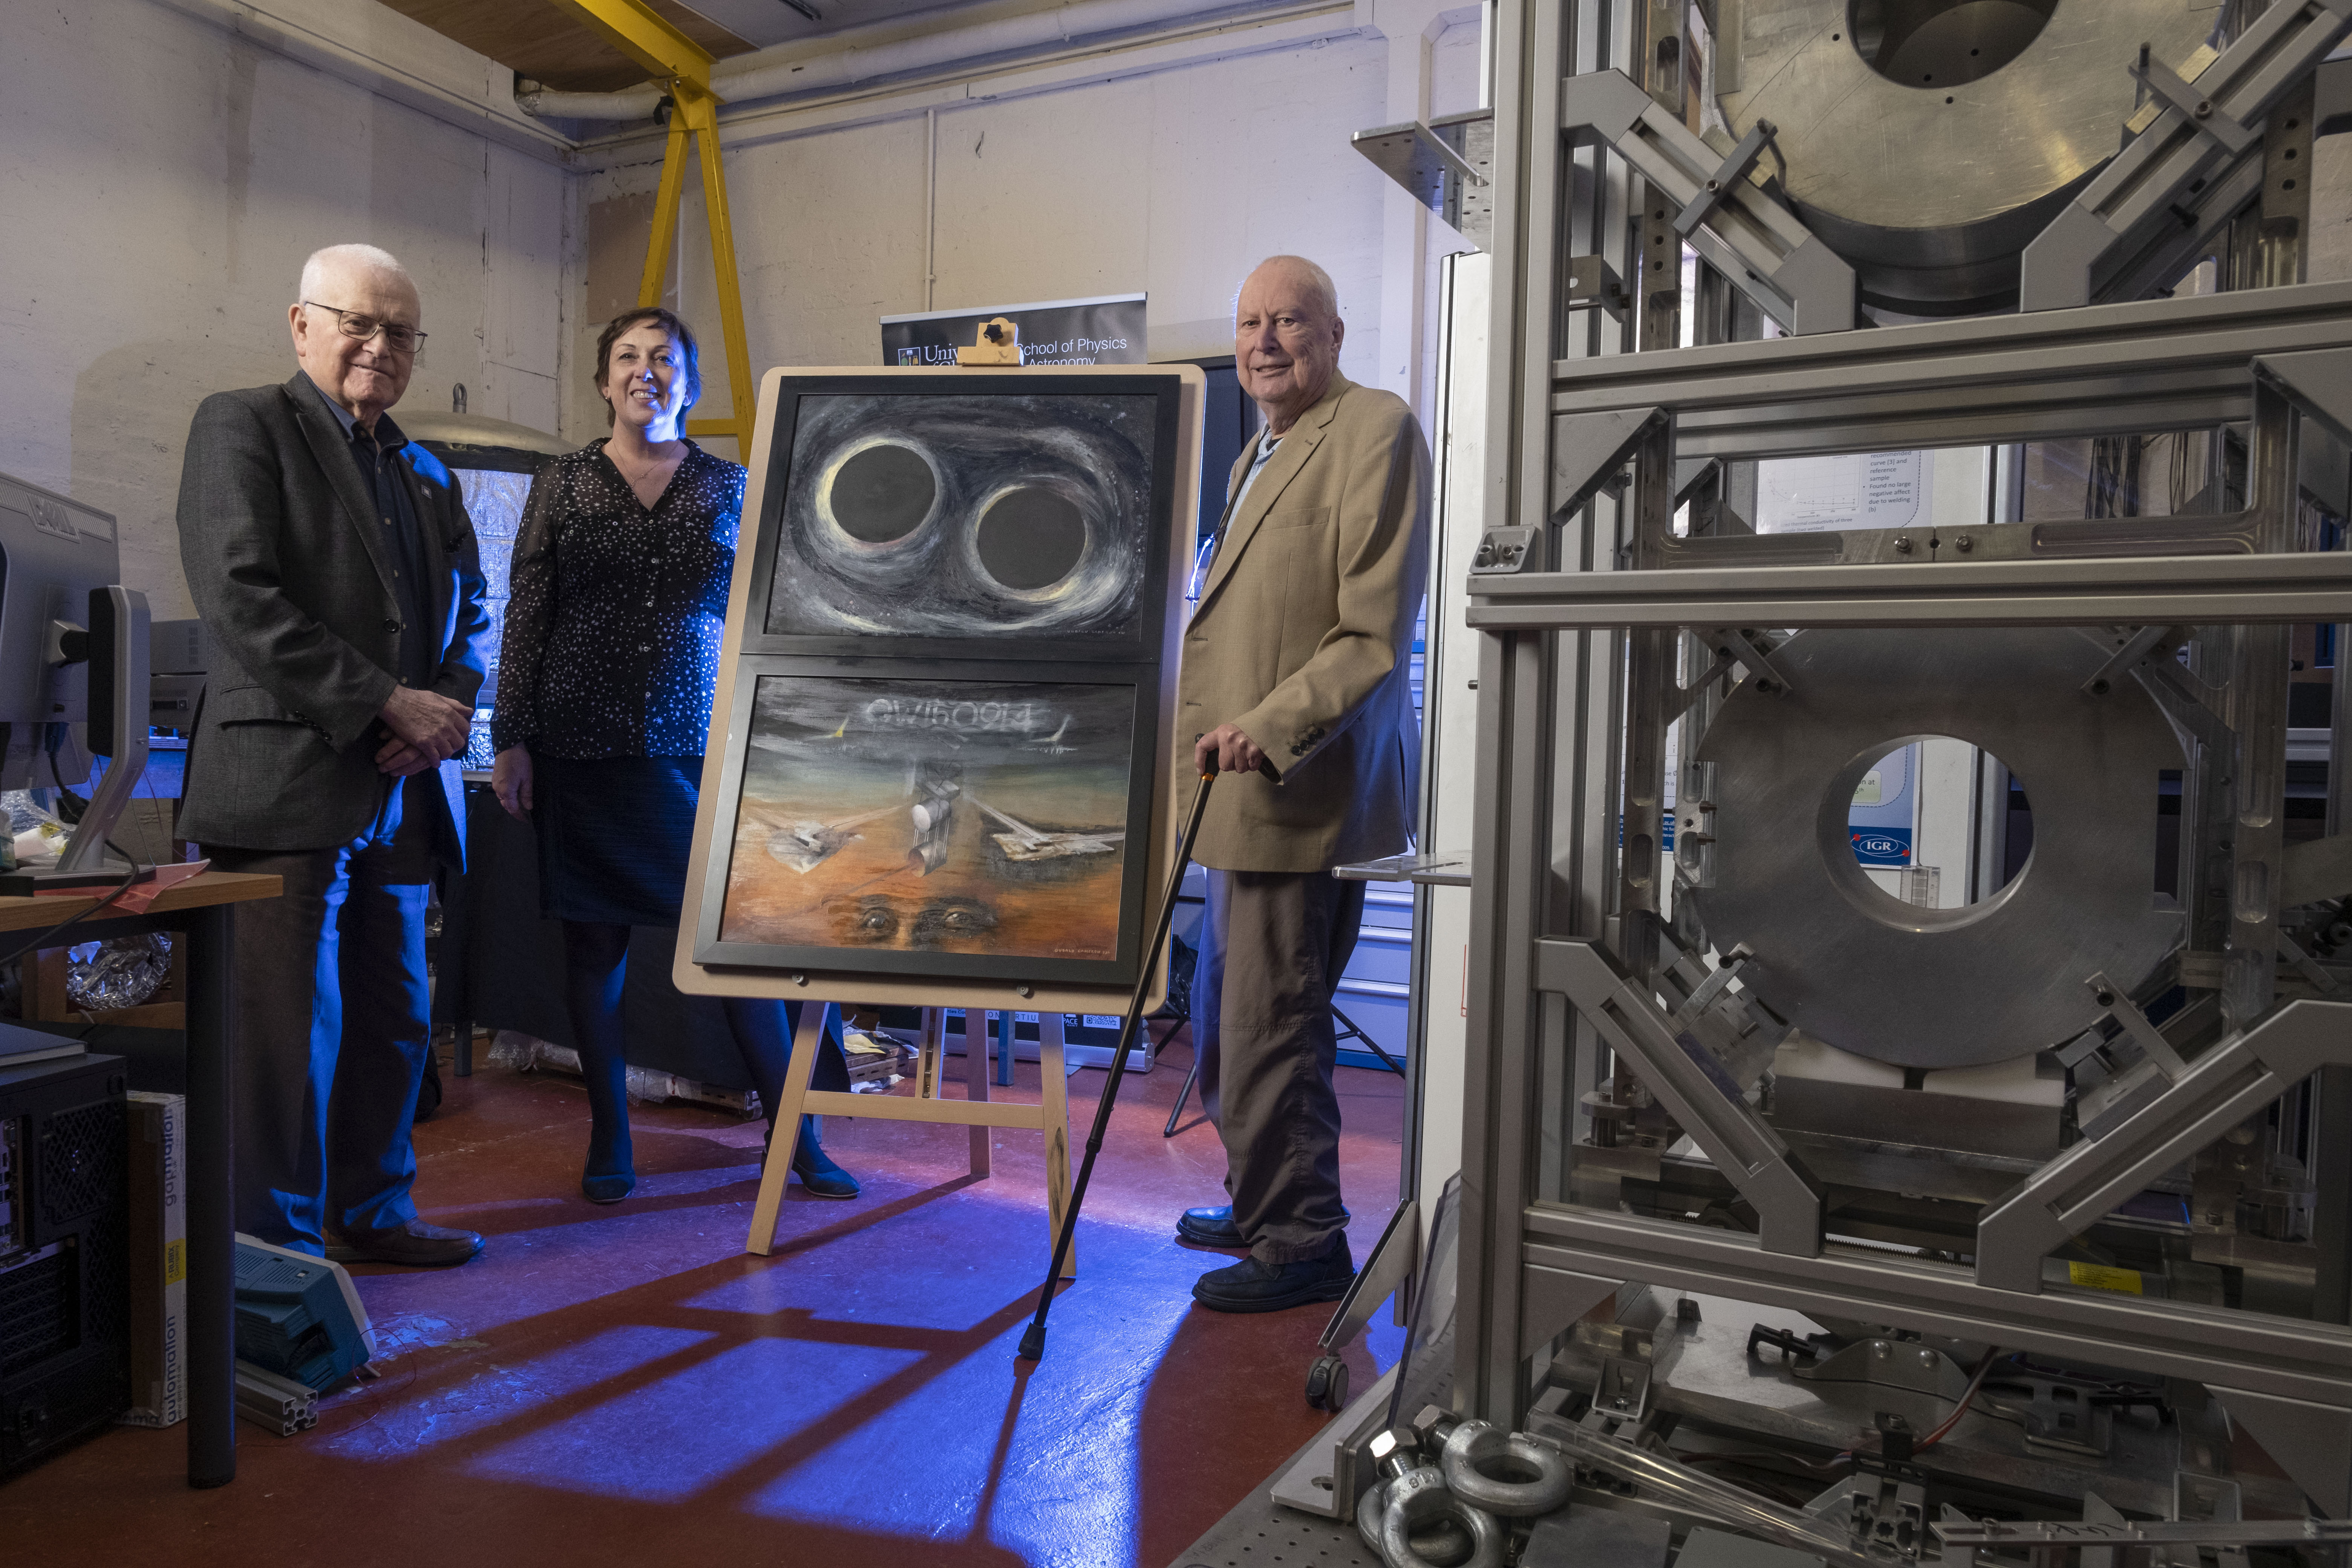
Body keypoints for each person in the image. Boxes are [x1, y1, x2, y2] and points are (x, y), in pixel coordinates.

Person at [489, 306, 860, 1205]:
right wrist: (512, 737)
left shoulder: (734, 484)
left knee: (739, 949)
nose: (645, 370)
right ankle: (611, 1134)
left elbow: (773, 613)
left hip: (704, 749)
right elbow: (527, 609)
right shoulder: (563, 483)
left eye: (664, 358)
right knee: (595, 950)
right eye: (627, 356)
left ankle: (797, 1136)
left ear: (690, 382)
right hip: (580, 744)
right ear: (603, 379)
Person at [177, 243, 490, 1266]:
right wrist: (385, 705)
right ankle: (274, 1252)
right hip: (284, 782)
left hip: (401, 792)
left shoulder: (427, 472)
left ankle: (375, 1212)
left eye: (399, 331)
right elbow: (240, 597)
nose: (378, 345)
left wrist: (441, 707)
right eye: (357, 322)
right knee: (282, 1041)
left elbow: (474, 617)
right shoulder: (243, 426)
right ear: (301, 324)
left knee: (397, 1020)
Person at [1176, 255, 1431, 1313]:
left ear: (1333, 335)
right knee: (1222, 1012)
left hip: (1299, 784)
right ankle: (1259, 1191)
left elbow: (1372, 628)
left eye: (1290, 322)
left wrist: (1271, 727)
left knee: (1273, 1019)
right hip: (1240, 795)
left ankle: (1304, 1239)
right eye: (1250, 324)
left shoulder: (1373, 429)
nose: (1265, 341)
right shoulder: (1257, 456)